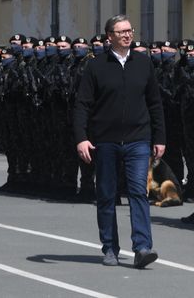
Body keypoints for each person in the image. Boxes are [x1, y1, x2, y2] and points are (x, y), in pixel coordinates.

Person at [74, 14, 166, 269]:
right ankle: (109, 247)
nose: (127, 35)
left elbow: (155, 103)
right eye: (121, 31)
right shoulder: (96, 66)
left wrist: (160, 138)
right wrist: (82, 138)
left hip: (138, 139)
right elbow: (82, 105)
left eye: (130, 30)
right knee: (107, 195)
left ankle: (142, 247)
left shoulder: (143, 63)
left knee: (138, 191)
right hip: (105, 141)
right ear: (109, 36)